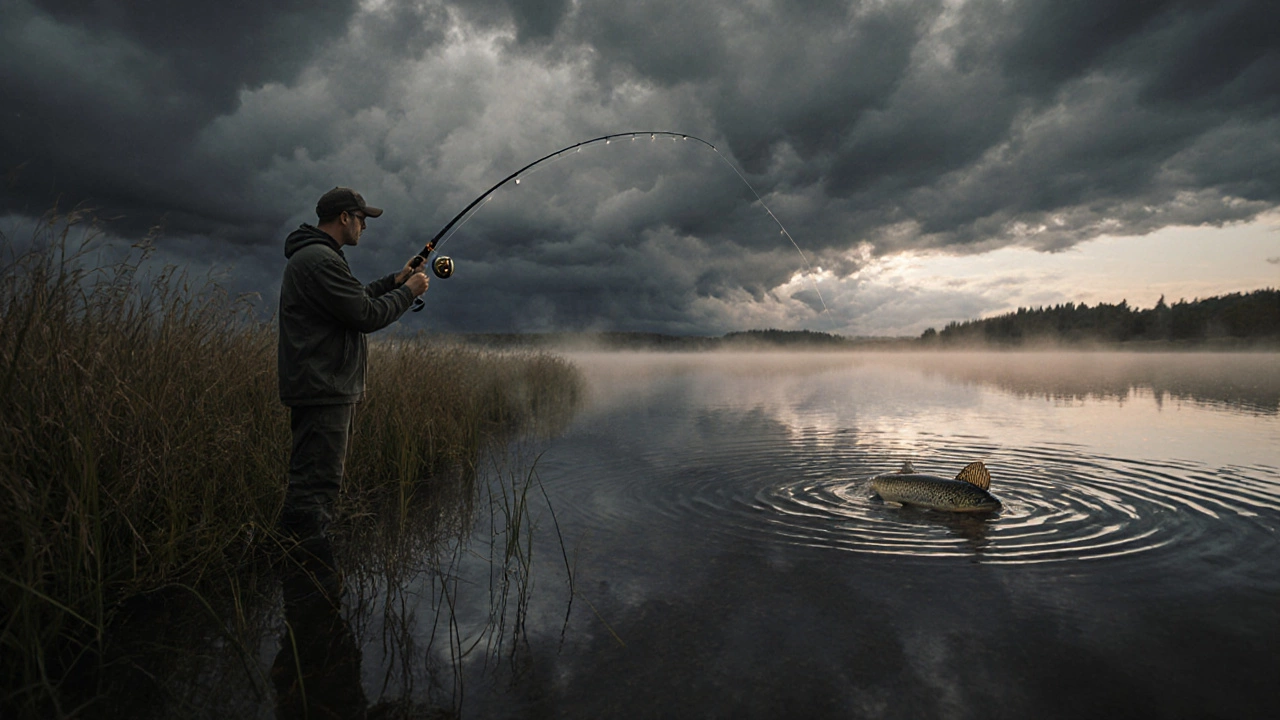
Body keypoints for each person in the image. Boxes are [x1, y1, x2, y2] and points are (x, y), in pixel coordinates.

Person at [277, 186, 429, 542]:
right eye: (362, 219)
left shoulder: (319, 257)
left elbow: (354, 298)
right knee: (315, 486)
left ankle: (298, 560)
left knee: (314, 481)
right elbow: (365, 315)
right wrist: (410, 292)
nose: (364, 227)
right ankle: (303, 565)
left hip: (321, 386)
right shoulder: (320, 260)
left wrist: (395, 280)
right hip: (322, 388)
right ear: (344, 217)